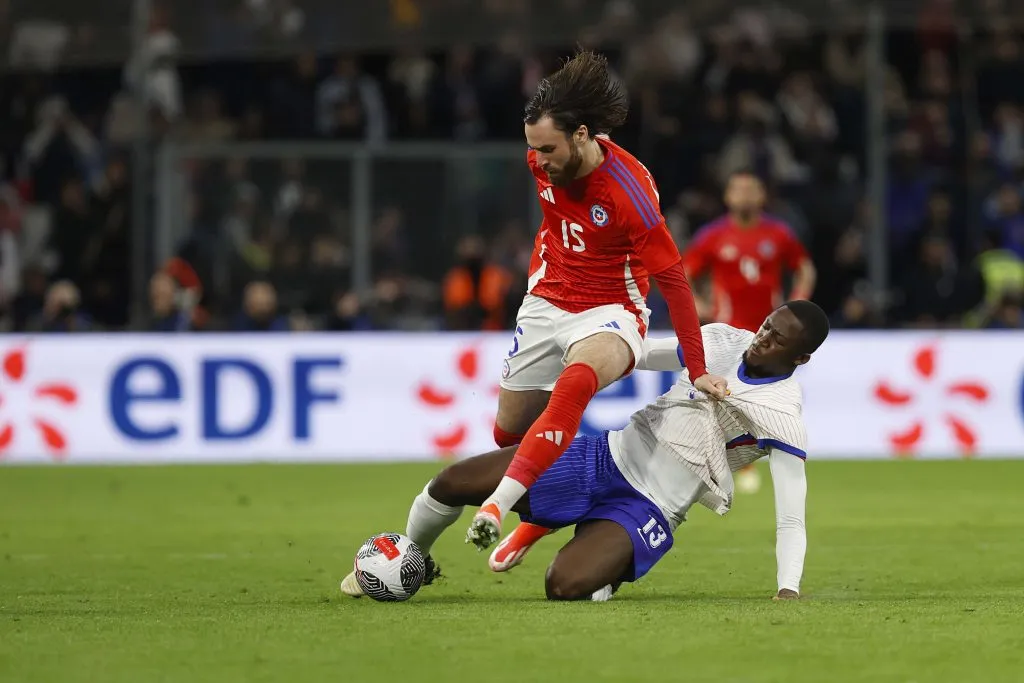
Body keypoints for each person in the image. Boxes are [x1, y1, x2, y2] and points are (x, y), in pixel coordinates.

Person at [341, 301, 830, 602]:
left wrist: (788, 588)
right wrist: (594, 353)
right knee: (452, 482)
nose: (760, 339)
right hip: (603, 457)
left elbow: (791, 517)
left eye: (776, 339)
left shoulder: (782, 414)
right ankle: (415, 560)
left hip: (651, 506)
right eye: (766, 326)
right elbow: (645, 355)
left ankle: (603, 565)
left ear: (800, 358)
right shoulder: (724, 340)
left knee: (564, 586)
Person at [471, 51, 729, 550]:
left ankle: (497, 508)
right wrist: (537, 287)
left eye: (547, 149)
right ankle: (558, 505)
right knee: (509, 436)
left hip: (610, 307)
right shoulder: (544, 160)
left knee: (576, 385)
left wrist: (696, 367)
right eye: (533, 148)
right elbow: (553, 225)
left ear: (584, 135)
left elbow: (674, 281)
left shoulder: (629, 195)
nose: (538, 160)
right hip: (549, 298)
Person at [683, 170, 816, 494]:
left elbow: (805, 268)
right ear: (728, 196)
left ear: (761, 196)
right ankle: (732, 465)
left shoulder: (779, 233)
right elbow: (684, 273)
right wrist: (697, 304)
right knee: (724, 399)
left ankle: (767, 455)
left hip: (769, 337)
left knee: (767, 398)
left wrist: (797, 304)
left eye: (751, 189)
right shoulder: (713, 235)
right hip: (727, 334)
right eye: (738, 190)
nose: (744, 195)